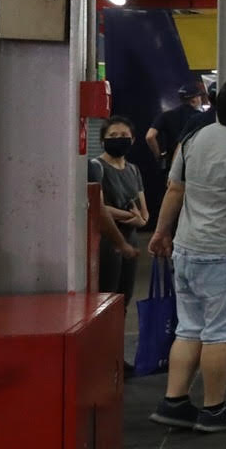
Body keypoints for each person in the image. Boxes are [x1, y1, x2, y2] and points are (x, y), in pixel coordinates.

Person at [145, 78, 226, 433]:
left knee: (189, 328)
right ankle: (214, 409)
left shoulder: (193, 138)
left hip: (188, 249)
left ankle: (174, 402)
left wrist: (161, 232)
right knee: (220, 333)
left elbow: (174, 189)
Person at [91, 116, 148, 307]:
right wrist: (131, 216)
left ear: (132, 140)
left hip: (130, 239)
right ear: (102, 141)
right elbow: (97, 207)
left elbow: (143, 212)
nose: (118, 138)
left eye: (124, 135)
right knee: (105, 300)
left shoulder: (133, 170)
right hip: (106, 242)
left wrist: (141, 219)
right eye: (112, 135)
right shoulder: (96, 167)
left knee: (125, 297)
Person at [147, 77, 212, 165]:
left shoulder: (166, 115)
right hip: (193, 162)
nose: (200, 100)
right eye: (199, 97)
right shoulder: (200, 117)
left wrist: (159, 156)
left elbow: (150, 136)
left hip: (172, 162)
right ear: (193, 100)